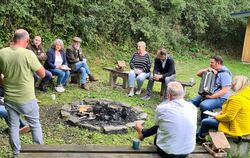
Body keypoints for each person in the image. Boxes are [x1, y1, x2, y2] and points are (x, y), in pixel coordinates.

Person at [0, 29, 45, 157]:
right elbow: (42, 74)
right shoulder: (28, 54)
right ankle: (39, 154)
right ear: (25, 41)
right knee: (35, 124)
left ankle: (16, 154)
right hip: (27, 98)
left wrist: (3, 83)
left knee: (13, 127)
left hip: (9, 98)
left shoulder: (1, 53)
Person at [135, 81, 197, 158]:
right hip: (187, 151)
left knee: (161, 128)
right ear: (183, 93)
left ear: (168, 95)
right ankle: (143, 133)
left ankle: (143, 133)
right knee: (167, 125)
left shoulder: (162, 108)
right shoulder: (193, 108)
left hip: (167, 152)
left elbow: (157, 125)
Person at [197, 75, 250, 142]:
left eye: (233, 82)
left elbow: (228, 117)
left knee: (205, 121)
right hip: (244, 126)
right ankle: (201, 136)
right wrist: (220, 114)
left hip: (236, 127)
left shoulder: (237, 99)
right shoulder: (245, 96)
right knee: (209, 119)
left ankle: (199, 138)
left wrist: (217, 116)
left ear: (237, 84)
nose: (231, 84)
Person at [190, 55, 232, 120]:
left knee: (204, 105)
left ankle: (204, 121)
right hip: (208, 94)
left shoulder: (225, 74)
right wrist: (207, 69)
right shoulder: (211, 71)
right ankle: (189, 119)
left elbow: (225, 90)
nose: (210, 64)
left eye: (212, 62)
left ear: (218, 63)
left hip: (221, 98)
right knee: (191, 102)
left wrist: (211, 97)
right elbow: (198, 74)